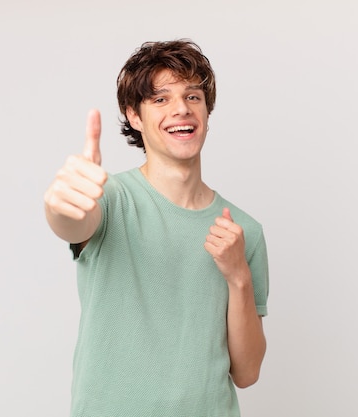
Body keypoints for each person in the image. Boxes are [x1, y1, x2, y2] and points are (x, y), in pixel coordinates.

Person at [44, 39, 269, 417]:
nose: (181, 109)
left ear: (207, 112)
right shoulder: (110, 199)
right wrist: (61, 205)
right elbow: (74, 221)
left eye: (193, 96)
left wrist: (238, 277)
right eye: (161, 99)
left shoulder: (244, 230)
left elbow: (246, 373)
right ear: (134, 116)